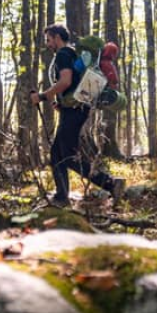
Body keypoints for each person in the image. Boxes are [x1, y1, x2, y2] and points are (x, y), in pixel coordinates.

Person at [31, 24, 125, 208]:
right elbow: (73, 84)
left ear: (57, 37)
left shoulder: (63, 54)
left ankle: (111, 183)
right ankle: (61, 196)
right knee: (58, 154)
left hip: (75, 112)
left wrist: (42, 96)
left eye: (48, 39)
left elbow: (65, 81)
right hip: (75, 110)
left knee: (67, 156)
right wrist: (63, 103)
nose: (48, 44)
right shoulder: (73, 53)